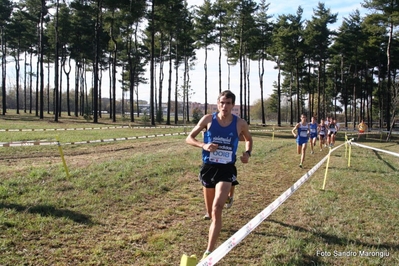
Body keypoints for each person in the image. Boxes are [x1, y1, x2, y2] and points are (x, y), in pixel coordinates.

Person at [185, 90, 253, 260]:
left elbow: (249, 139)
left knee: (217, 208)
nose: (225, 106)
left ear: (233, 105)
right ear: (218, 104)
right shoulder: (208, 119)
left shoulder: (240, 123)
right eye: (222, 103)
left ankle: (209, 251)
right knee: (209, 212)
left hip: (226, 168)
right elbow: (189, 138)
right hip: (208, 167)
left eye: (228, 103)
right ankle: (228, 197)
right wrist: (203, 145)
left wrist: (247, 154)